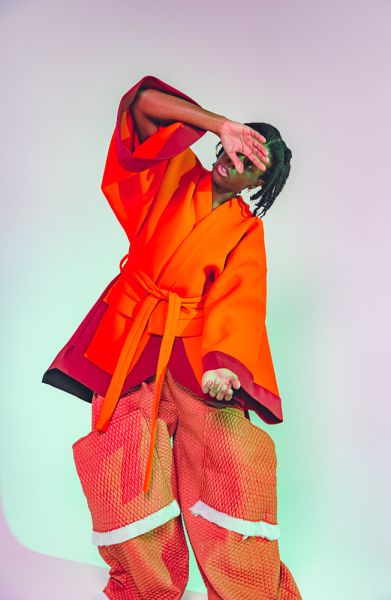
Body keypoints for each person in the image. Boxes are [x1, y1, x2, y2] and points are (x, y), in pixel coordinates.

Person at [42, 74, 302, 599]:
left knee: (233, 471)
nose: (236, 162)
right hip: (130, 342)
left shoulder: (246, 230)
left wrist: (225, 364)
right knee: (126, 474)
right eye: (238, 147)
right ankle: (143, 590)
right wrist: (219, 122)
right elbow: (142, 105)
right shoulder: (173, 173)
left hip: (198, 357)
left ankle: (251, 590)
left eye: (252, 165)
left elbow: (241, 299)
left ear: (258, 183)